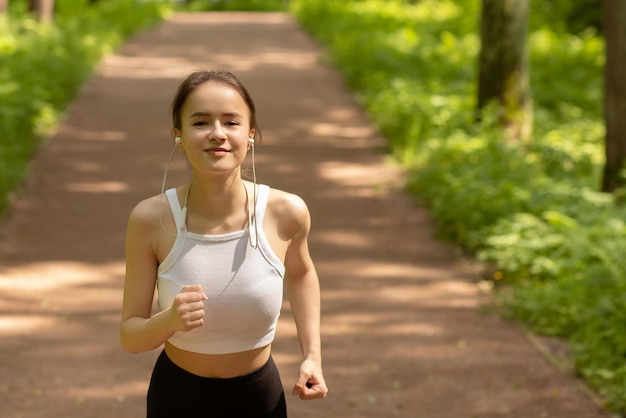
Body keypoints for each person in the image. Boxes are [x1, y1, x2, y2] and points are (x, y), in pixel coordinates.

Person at [120, 70, 328, 418]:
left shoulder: (286, 213)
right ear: (179, 137)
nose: (217, 134)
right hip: (177, 397)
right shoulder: (150, 220)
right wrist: (168, 321)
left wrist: (312, 357)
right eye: (201, 122)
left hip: (258, 398)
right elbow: (130, 335)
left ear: (250, 135)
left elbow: (303, 275)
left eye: (231, 122)